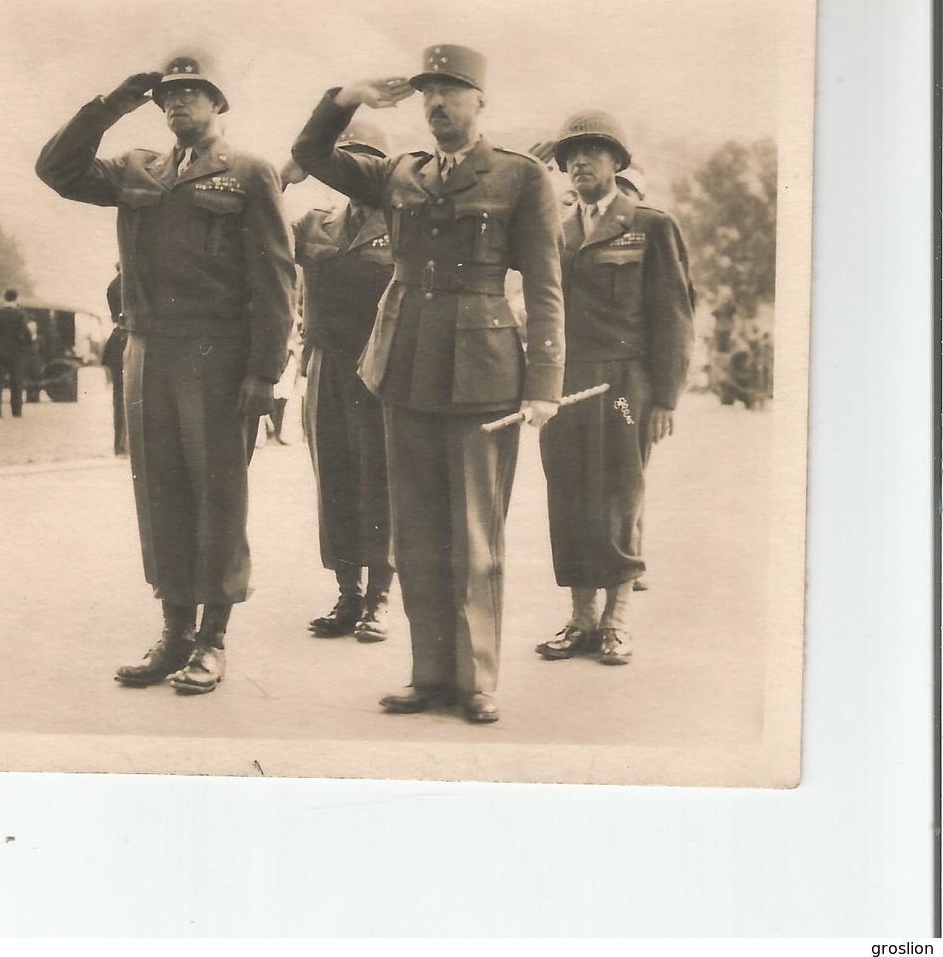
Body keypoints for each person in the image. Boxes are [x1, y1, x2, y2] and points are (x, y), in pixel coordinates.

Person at [291, 44, 565, 724]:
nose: (436, 103)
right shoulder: (398, 174)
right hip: (402, 363)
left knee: (473, 536)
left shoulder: (518, 177)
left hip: (483, 371)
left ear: (479, 101)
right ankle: (428, 675)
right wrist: (346, 94)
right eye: (426, 93)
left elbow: (545, 284)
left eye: (450, 90)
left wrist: (545, 382)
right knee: (413, 531)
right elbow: (311, 153)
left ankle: (475, 682)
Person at [36, 51, 294, 695]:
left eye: (192, 93)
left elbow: (276, 281)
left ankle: (212, 639)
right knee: (160, 494)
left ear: (218, 104)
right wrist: (113, 104)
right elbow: (56, 169)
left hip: (218, 355)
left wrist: (264, 375)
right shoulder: (137, 169)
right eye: (167, 96)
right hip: (147, 351)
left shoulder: (250, 174)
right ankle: (174, 631)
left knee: (218, 497)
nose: (177, 104)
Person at [532, 112, 694, 666]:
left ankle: (616, 620)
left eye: (593, 152)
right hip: (566, 380)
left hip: (625, 384)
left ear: (617, 162)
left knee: (619, 495)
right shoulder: (555, 227)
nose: (580, 162)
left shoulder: (650, 225)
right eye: (571, 155)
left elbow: (674, 317)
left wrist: (666, 398)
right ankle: (580, 618)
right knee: (569, 494)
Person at [281, 118, 397, 642]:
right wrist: (283, 179)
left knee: (382, 479)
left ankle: (379, 599)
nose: (354, 171)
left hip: (384, 368)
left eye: (367, 161)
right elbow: (260, 240)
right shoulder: (315, 223)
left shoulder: (405, 224)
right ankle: (348, 592)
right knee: (334, 477)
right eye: (345, 158)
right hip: (327, 364)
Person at [0, 289, 33, 418]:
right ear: (16, 299)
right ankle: (16, 411)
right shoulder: (20, 314)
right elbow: (26, 333)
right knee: (16, 382)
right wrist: (28, 345)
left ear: (4, 298)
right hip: (16, 353)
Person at [103, 265, 128, 456]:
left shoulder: (114, 285)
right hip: (127, 339)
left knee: (119, 397)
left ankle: (121, 444)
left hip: (118, 340)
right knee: (123, 397)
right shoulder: (125, 285)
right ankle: (123, 445)